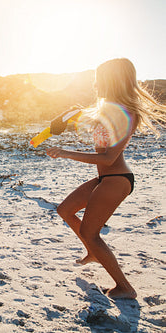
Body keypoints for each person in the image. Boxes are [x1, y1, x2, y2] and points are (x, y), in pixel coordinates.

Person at [46, 58, 166, 299]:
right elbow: (89, 117)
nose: (95, 84)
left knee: (91, 232)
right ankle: (93, 251)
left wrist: (67, 153)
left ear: (112, 80)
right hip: (105, 179)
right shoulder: (109, 109)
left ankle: (124, 287)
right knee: (65, 210)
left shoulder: (127, 113)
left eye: (99, 79)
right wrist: (68, 116)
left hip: (117, 179)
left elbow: (110, 157)